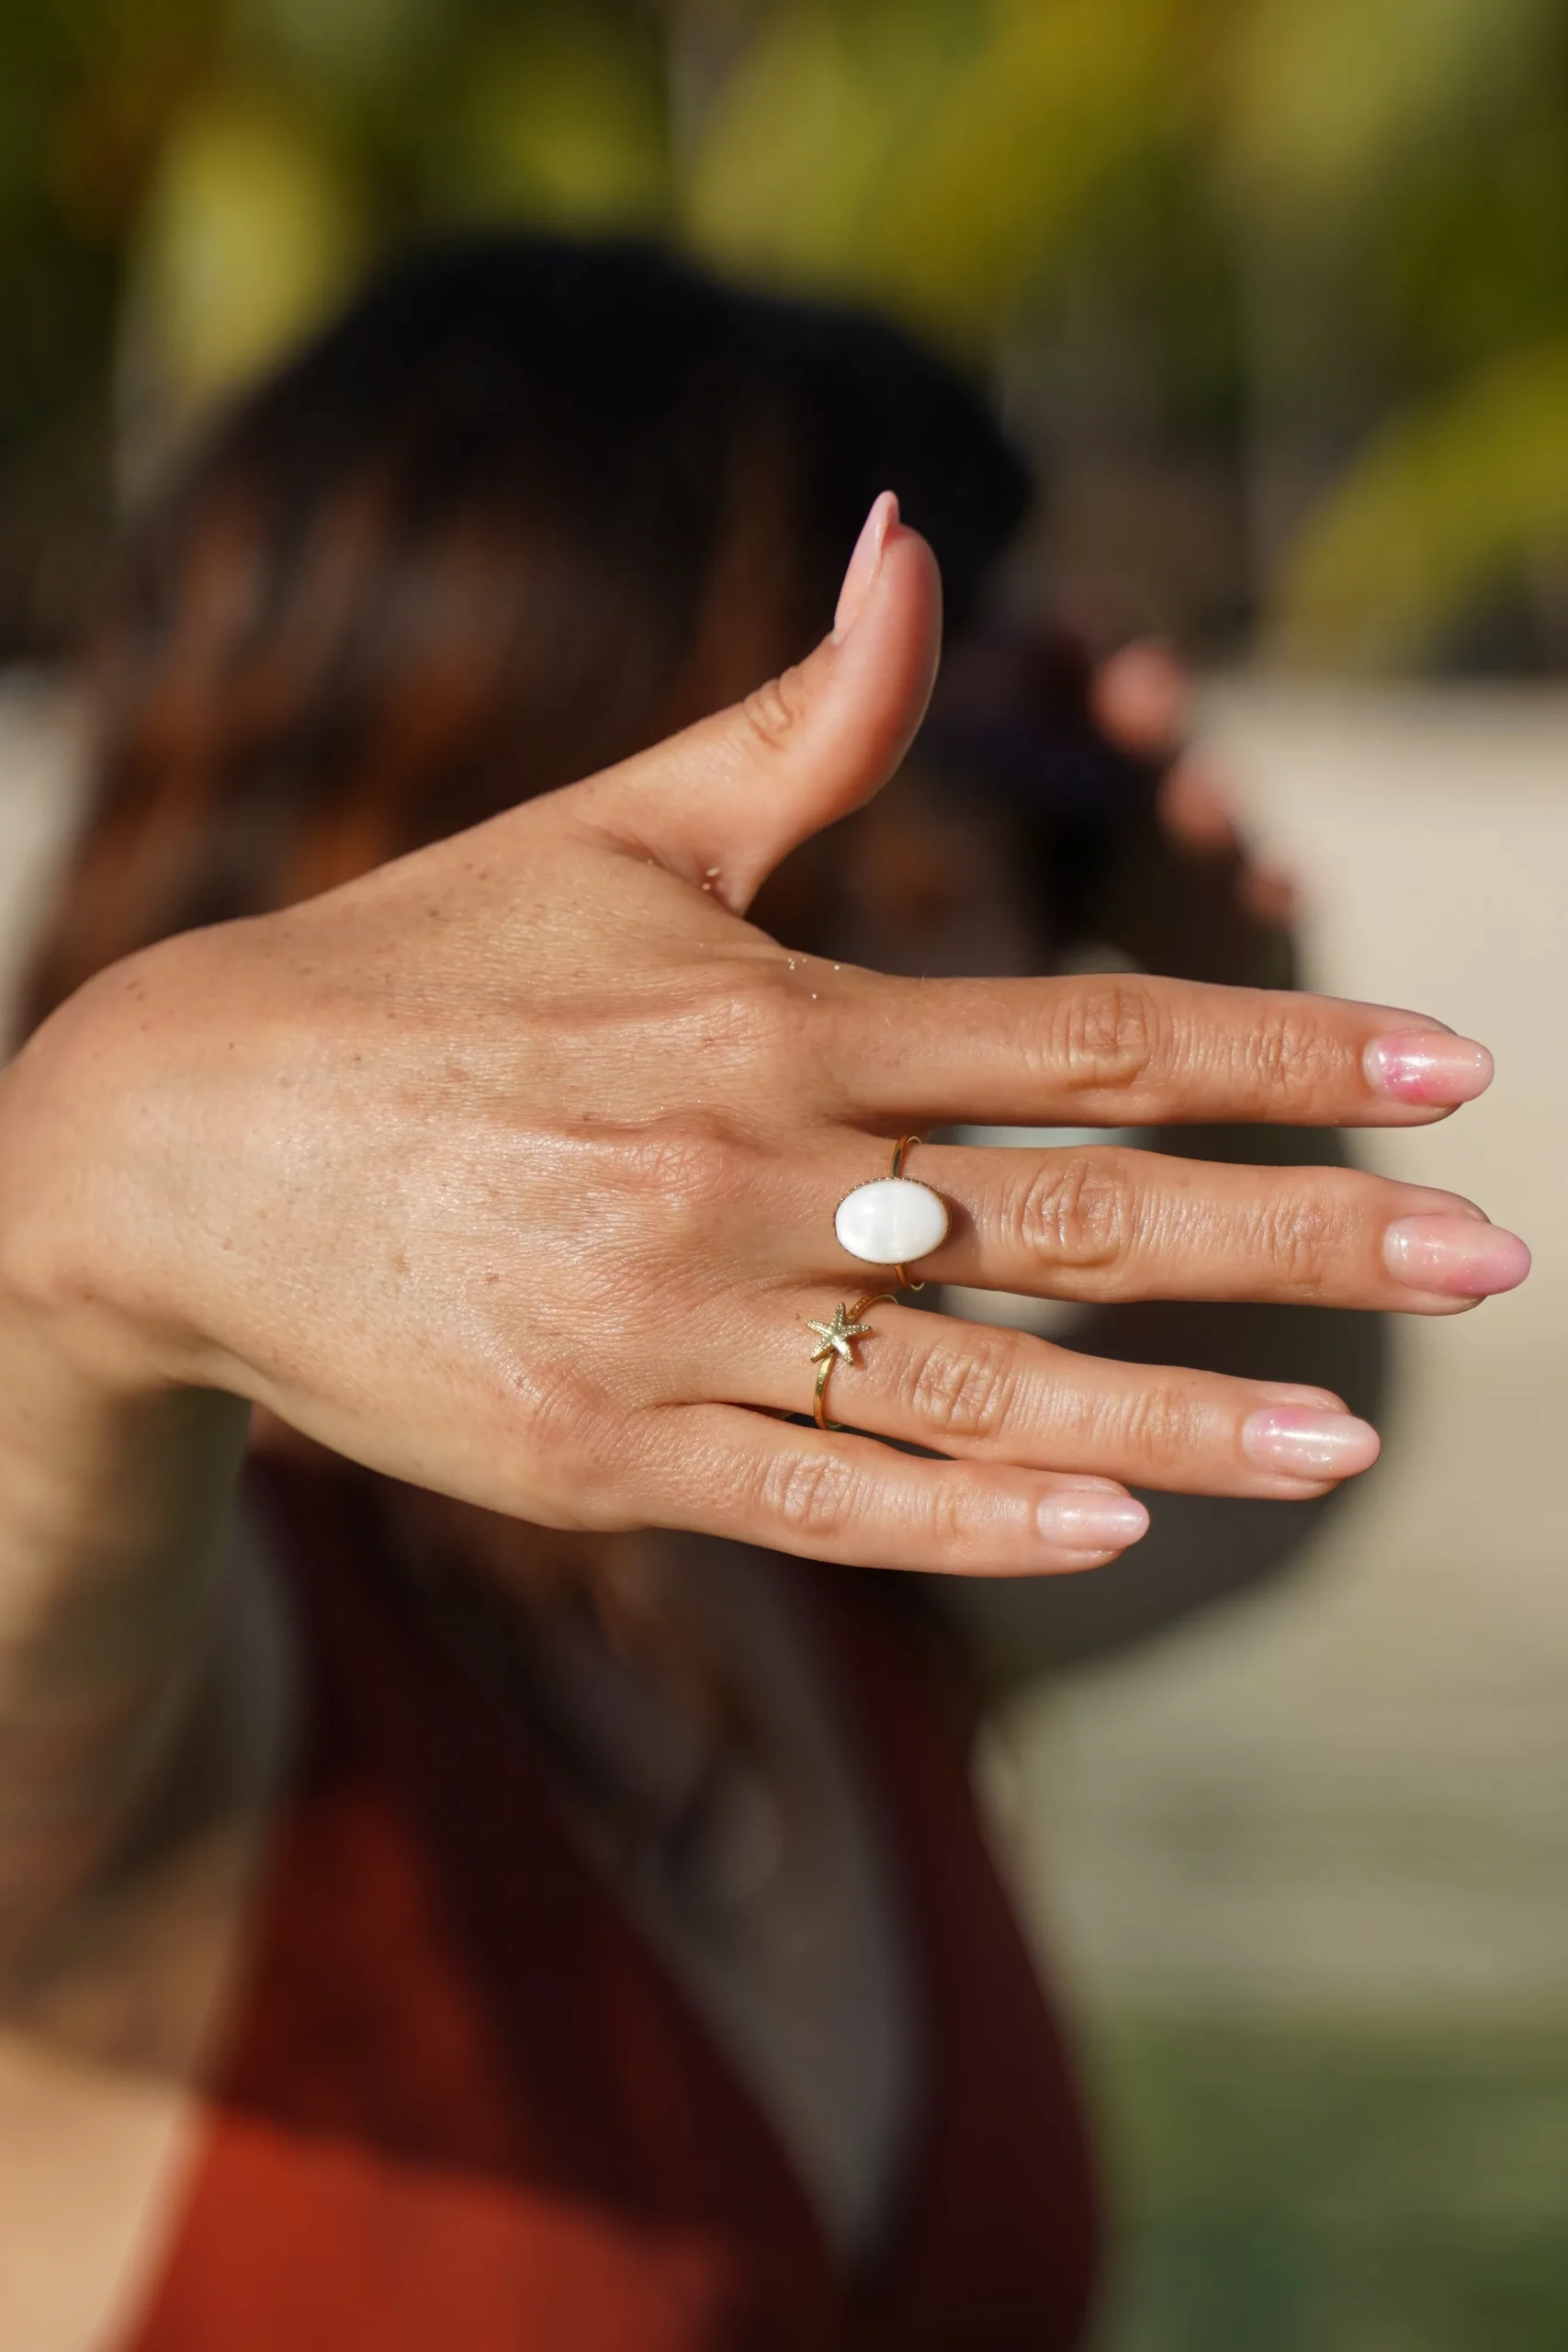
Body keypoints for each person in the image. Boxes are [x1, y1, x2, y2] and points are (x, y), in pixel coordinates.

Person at [0, 238, 1527, 2351]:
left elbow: (1254, 1469)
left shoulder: (768, 1568)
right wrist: (83, 1189)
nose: (1038, 864)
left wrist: (1220, 981)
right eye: (1013, 735)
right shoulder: (223, 1618)